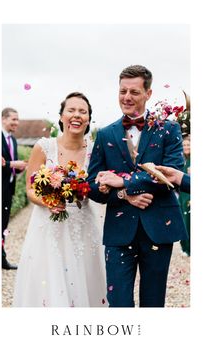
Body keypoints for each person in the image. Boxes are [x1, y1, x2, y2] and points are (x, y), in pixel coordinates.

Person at [87, 65, 188, 307]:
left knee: (153, 304)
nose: (127, 97)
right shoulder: (104, 134)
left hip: (158, 228)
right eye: (123, 91)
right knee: (119, 303)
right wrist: (123, 194)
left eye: (134, 92)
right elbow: (92, 186)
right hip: (118, 232)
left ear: (148, 94)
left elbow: (171, 176)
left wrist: (124, 182)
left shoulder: (169, 129)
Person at [13, 92, 108, 307]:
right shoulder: (44, 147)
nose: (77, 115)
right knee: (50, 278)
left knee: (86, 277)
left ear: (88, 118)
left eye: (82, 112)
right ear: (61, 116)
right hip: (48, 224)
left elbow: (100, 185)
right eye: (71, 110)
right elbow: (30, 188)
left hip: (84, 224)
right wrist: (48, 201)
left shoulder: (96, 150)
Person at [2, 108, 27, 270]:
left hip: (8, 188)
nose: (16, 123)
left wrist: (18, 167)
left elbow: (8, 162)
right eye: (13, 119)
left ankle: (1, 258)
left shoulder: (14, 140)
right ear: (3, 119)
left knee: (3, 225)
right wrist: (12, 164)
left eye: (17, 120)